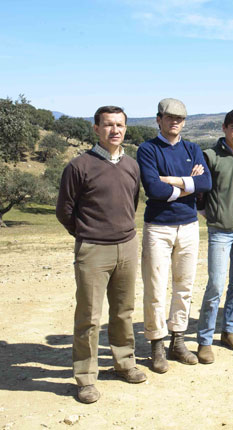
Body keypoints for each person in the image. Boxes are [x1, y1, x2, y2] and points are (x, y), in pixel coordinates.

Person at [56, 106, 146, 404]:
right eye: (108, 125)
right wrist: (87, 234)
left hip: (127, 245)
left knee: (123, 312)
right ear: (96, 129)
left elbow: (131, 203)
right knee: (89, 317)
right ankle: (85, 378)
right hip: (93, 249)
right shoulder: (79, 166)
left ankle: (124, 363)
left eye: (120, 125)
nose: (115, 130)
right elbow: (65, 211)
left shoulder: (131, 165)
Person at [137, 98, 212, 372]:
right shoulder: (147, 149)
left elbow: (207, 183)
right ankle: (157, 343)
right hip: (158, 226)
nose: (174, 122)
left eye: (179, 118)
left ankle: (178, 340)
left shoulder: (193, 148)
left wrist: (170, 180)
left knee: (185, 286)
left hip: (189, 225)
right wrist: (188, 185)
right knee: (155, 288)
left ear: (184, 121)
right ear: (159, 119)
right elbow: (153, 190)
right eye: (169, 118)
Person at [195, 109, 233, 363]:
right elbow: (200, 193)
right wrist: (207, 213)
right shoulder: (209, 157)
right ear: (224, 128)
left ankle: (229, 331)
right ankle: (204, 340)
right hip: (220, 231)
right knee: (216, 286)